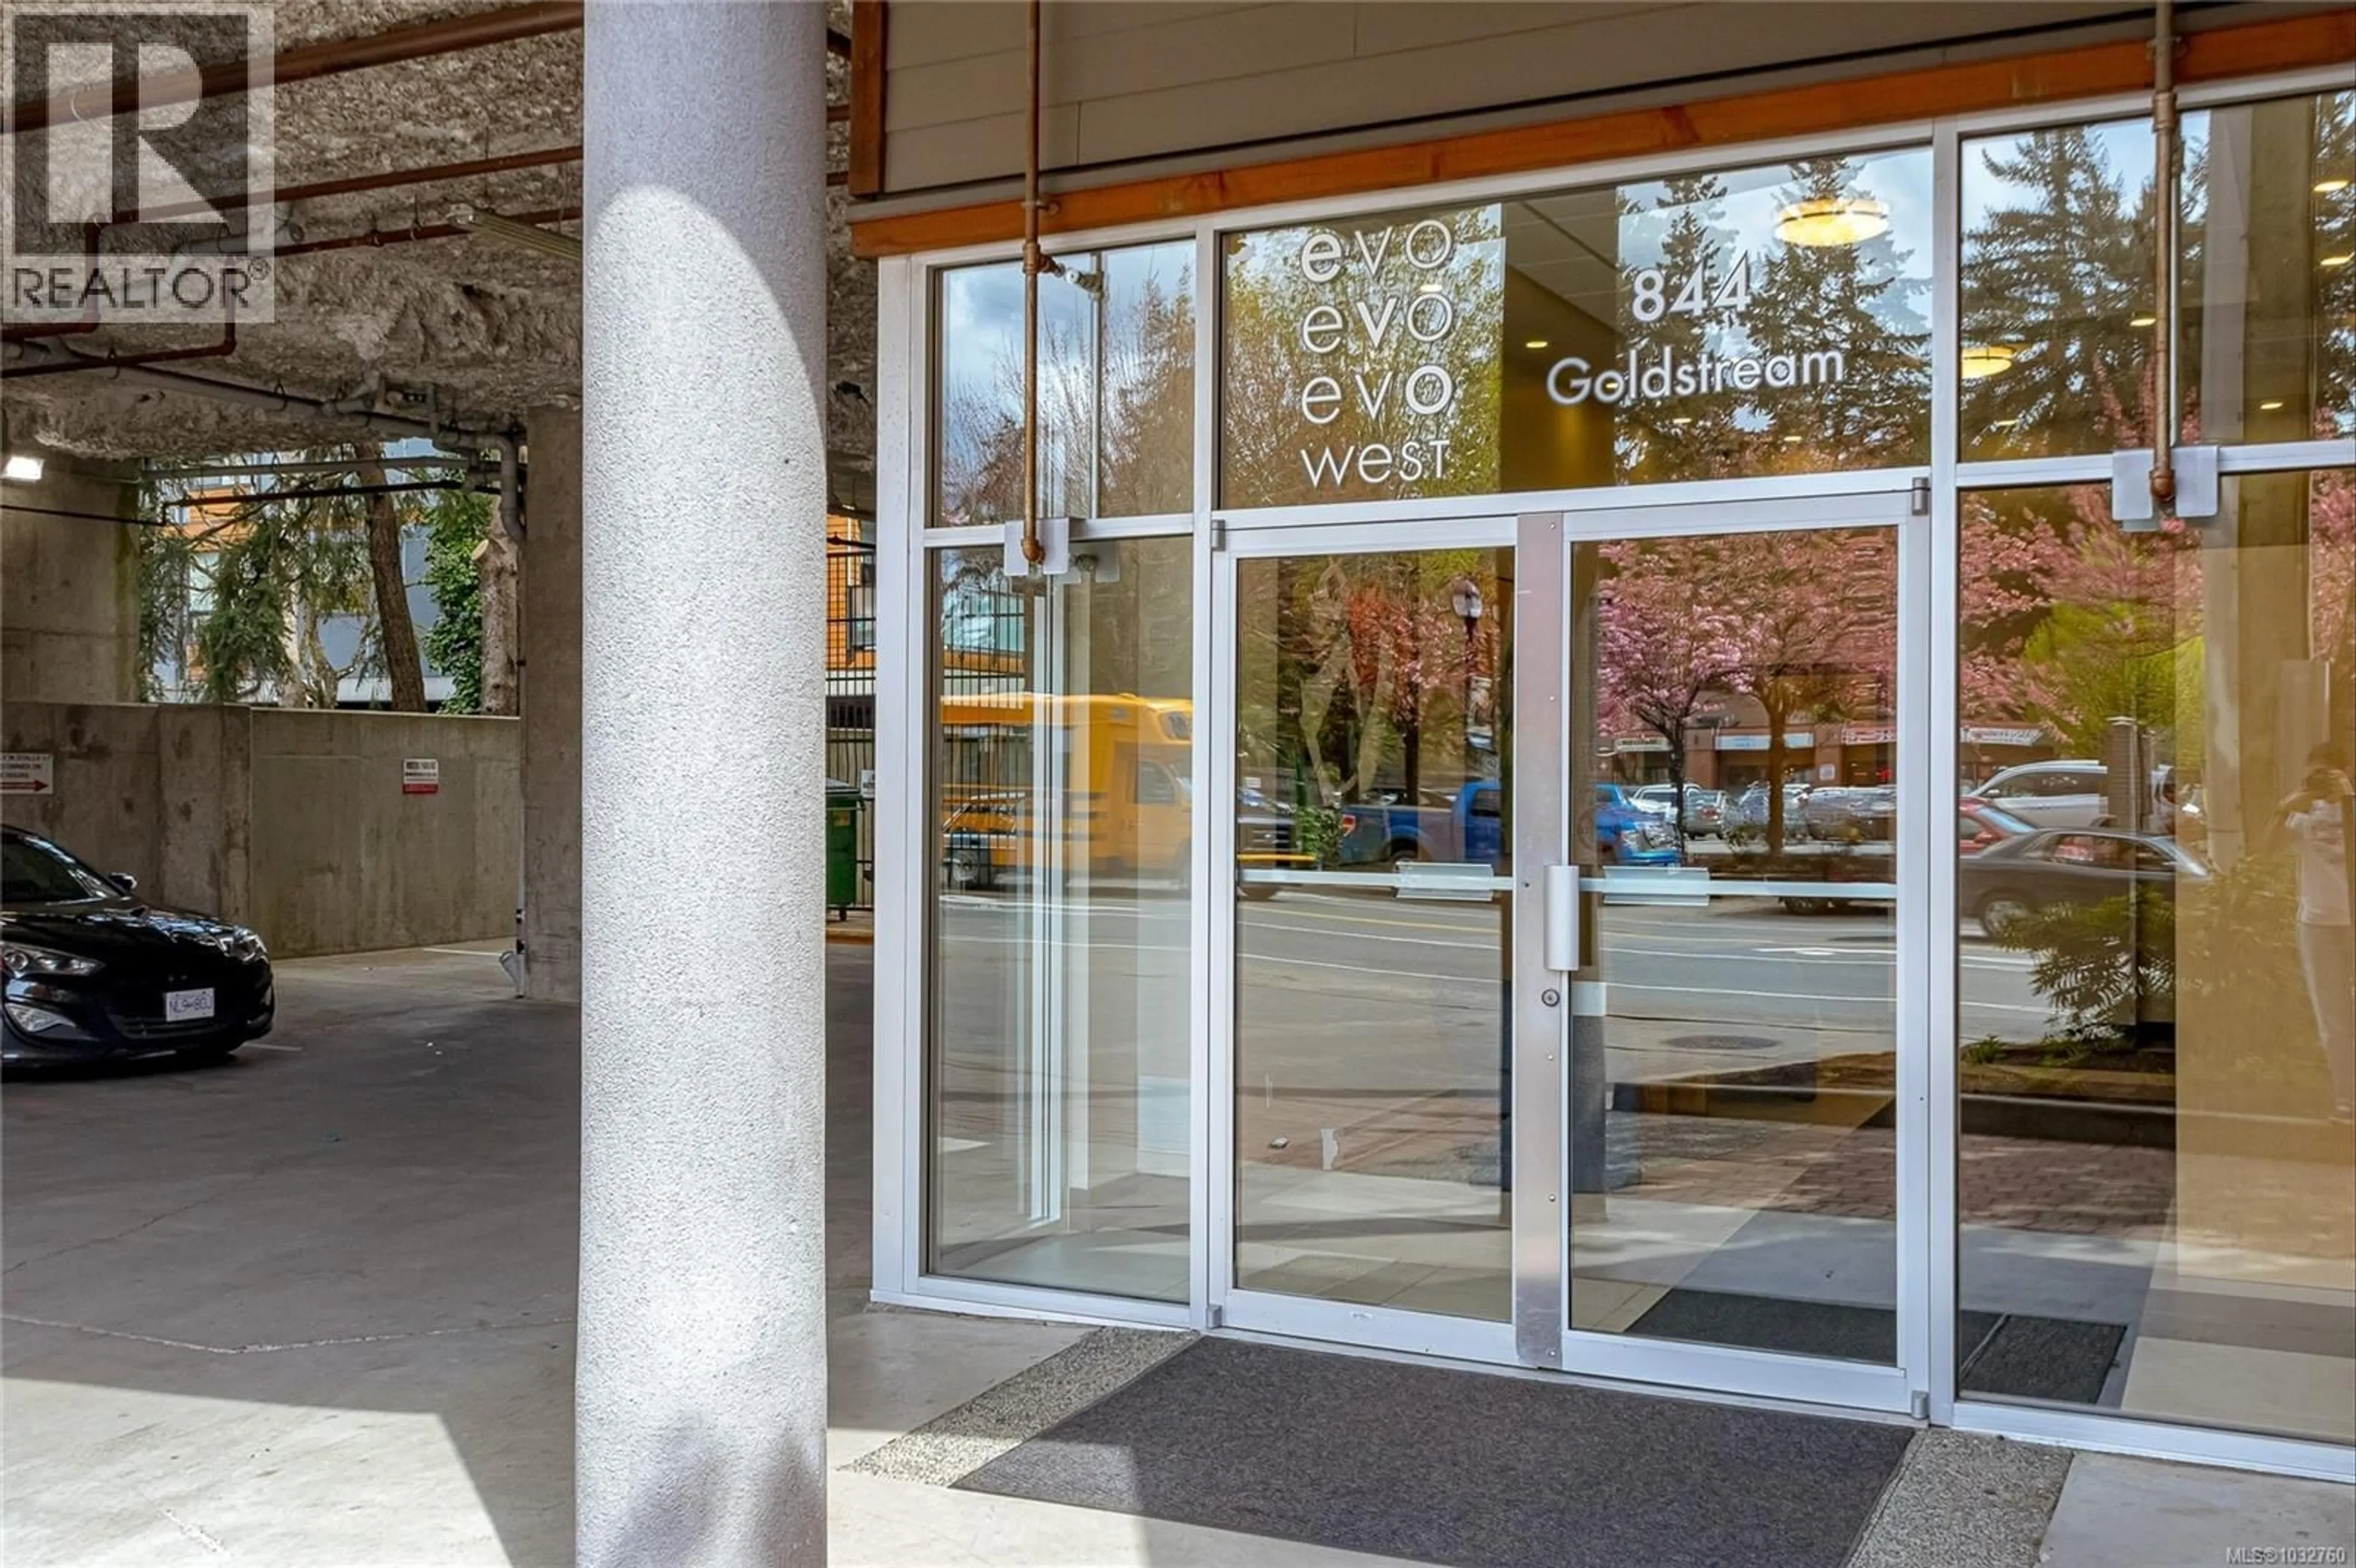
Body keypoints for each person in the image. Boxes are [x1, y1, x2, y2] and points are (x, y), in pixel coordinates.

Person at [2281, 744, 2355, 1120]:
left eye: (2328, 774)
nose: (2321, 782)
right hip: (2318, 922)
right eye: (2315, 775)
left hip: (2349, 920)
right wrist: (2288, 806)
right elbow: (2264, 849)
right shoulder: (2303, 815)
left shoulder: (2352, 806)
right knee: (2333, 1016)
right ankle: (2347, 1100)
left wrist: (2348, 801)